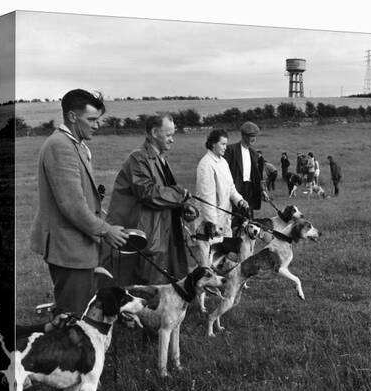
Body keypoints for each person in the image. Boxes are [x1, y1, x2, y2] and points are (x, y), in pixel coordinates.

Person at [30, 89, 128, 317]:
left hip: (77, 244)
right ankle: (62, 350)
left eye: (98, 120)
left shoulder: (75, 144)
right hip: (68, 246)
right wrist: (106, 231)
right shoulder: (60, 146)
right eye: (91, 120)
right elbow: (72, 205)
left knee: (82, 308)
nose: (96, 125)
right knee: (72, 314)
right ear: (73, 117)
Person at [103, 113, 191, 285]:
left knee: (159, 284)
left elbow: (164, 195)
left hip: (160, 232)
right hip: (144, 234)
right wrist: (180, 195)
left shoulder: (159, 159)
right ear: (154, 132)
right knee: (142, 287)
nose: (172, 140)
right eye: (168, 135)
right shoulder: (138, 158)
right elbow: (148, 193)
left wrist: (183, 207)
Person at [195, 129, 249, 239]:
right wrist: (212, 224)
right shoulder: (206, 165)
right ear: (213, 144)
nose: (225, 147)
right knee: (212, 254)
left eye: (226, 144)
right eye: (223, 144)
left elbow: (230, 187)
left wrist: (239, 200)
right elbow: (207, 199)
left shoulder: (223, 162)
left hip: (224, 218)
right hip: (211, 223)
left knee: (227, 253)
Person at [223, 121, 269, 222]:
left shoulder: (254, 153)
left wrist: (262, 190)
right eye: (251, 136)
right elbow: (224, 172)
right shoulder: (231, 150)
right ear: (243, 135)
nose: (254, 139)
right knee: (234, 220)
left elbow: (256, 176)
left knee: (249, 220)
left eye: (255, 136)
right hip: (235, 188)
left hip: (250, 190)